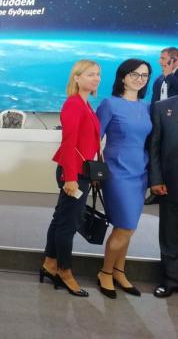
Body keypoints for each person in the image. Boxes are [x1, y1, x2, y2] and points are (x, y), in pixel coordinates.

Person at [41, 59, 101, 297]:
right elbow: (68, 143)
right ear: (77, 78)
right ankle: (65, 271)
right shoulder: (74, 104)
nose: (96, 78)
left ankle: (50, 263)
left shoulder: (86, 104)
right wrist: (70, 177)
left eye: (97, 74)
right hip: (73, 173)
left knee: (61, 219)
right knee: (69, 224)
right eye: (90, 74)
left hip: (80, 171)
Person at [95, 59, 152, 299]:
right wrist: (95, 171)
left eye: (145, 75)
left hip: (141, 173)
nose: (140, 79)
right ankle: (105, 272)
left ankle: (119, 271)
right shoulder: (110, 104)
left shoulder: (147, 107)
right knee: (124, 227)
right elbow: (94, 138)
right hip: (117, 173)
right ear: (123, 77)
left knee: (129, 228)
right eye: (135, 74)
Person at [149, 94, 178, 297]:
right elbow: (154, 147)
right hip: (170, 183)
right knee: (169, 233)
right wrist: (156, 179)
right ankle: (170, 279)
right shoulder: (162, 107)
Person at [146, 47, 178, 205]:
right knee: (156, 153)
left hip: (174, 126)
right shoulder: (159, 80)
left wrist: (170, 76)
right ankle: (155, 188)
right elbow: (154, 102)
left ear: (174, 60)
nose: (160, 62)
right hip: (159, 124)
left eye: (163, 58)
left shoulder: (171, 78)